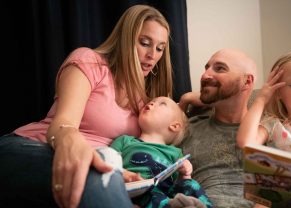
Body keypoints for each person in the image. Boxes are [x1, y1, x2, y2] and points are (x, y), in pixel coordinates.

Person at [0, 4, 173, 207]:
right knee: (98, 168)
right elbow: (63, 123)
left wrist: (190, 102)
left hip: (103, 165)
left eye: (160, 48)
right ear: (126, 40)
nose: (153, 55)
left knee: (106, 170)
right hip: (29, 147)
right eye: (145, 43)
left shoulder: (148, 101)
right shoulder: (90, 61)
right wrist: (70, 138)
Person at [179, 48, 259, 208]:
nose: (205, 75)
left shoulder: (269, 132)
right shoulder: (188, 129)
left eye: (220, 68)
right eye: (206, 68)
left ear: (247, 82)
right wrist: (184, 101)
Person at [99, 96, 213, 208]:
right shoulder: (125, 140)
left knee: (191, 184)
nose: (151, 103)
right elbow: (107, 163)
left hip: (167, 190)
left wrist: (184, 174)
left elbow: (178, 182)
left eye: (162, 104)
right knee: (151, 195)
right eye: (152, 101)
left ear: (174, 126)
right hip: (136, 189)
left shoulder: (175, 152)